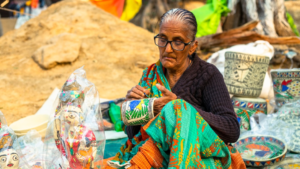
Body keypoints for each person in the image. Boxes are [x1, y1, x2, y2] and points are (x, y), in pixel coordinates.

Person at [106, 8, 243, 169]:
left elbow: (231, 129)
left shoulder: (208, 75)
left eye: (177, 42)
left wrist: (178, 109)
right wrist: (135, 108)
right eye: (163, 39)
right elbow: (133, 135)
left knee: (178, 108)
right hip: (156, 154)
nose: (168, 49)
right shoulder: (151, 75)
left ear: (192, 46)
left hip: (199, 157)